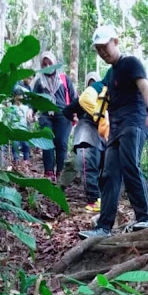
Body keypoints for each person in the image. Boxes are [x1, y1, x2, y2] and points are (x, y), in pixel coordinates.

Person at [79, 25, 148, 239]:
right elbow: (100, 97)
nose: (103, 52)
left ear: (115, 41)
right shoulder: (110, 74)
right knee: (109, 175)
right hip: (116, 128)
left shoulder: (130, 63)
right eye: (98, 49)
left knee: (129, 165)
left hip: (134, 122)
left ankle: (145, 217)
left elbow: (145, 88)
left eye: (105, 46)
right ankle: (103, 227)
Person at [62, 71, 106, 212]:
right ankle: (93, 199)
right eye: (90, 84)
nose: (92, 86)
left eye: (95, 83)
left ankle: (99, 199)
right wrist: (75, 119)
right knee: (87, 167)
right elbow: (67, 111)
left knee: (99, 169)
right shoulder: (83, 100)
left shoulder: (105, 99)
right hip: (86, 135)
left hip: (100, 136)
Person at [33, 51, 76, 182]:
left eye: (50, 63)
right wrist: (31, 111)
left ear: (55, 63)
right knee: (47, 141)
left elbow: (74, 97)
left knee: (61, 142)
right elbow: (34, 100)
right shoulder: (39, 82)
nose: (48, 65)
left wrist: (75, 113)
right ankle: (49, 172)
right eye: (44, 64)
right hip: (46, 115)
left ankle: (60, 172)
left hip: (63, 114)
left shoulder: (64, 78)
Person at [8, 86, 32, 170]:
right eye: (17, 97)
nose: (19, 99)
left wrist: (31, 121)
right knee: (15, 146)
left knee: (26, 146)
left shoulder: (26, 108)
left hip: (24, 130)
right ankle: (16, 161)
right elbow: (9, 119)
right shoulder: (11, 108)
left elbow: (29, 120)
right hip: (15, 131)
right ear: (14, 97)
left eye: (21, 97)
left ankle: (26, 161)